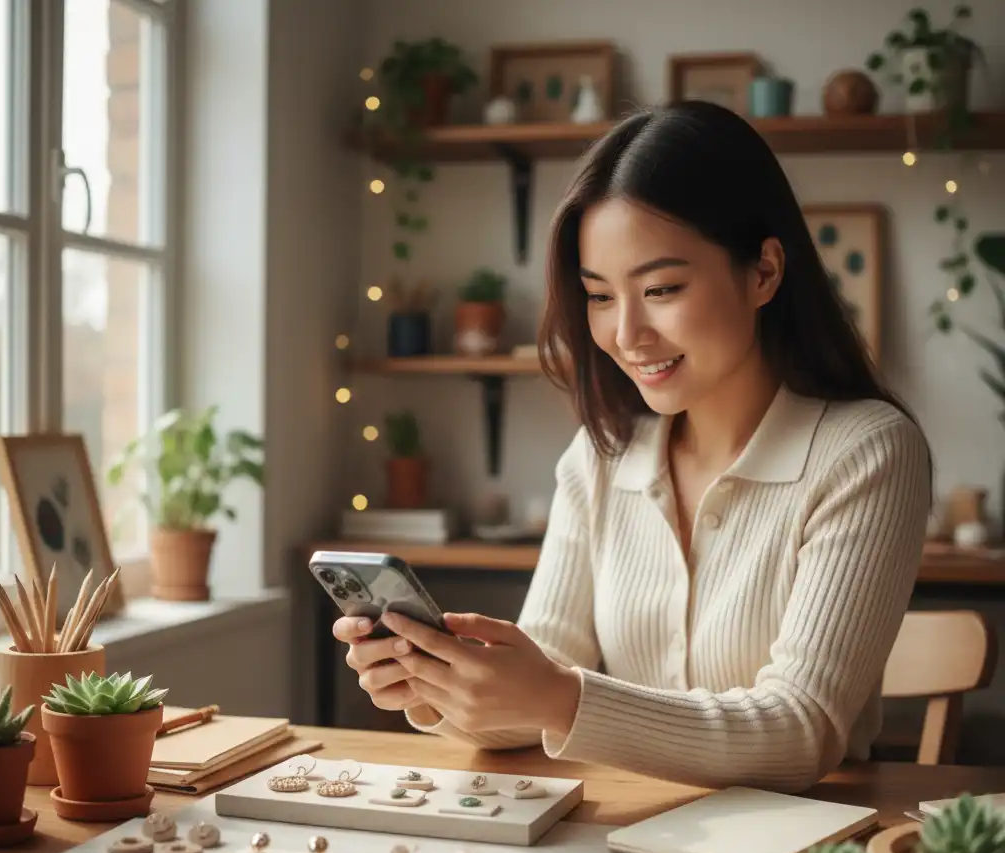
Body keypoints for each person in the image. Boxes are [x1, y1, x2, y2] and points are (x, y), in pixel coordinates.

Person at [334, 101, 932, 794]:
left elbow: (800, 731)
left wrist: (558, 697)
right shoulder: (600, 456)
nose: (627, 334)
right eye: (599, 297)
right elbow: (540, 683)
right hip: (625, 842)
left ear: (764, 272)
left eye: (660, 289)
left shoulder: (867, 452)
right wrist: (437, 685)